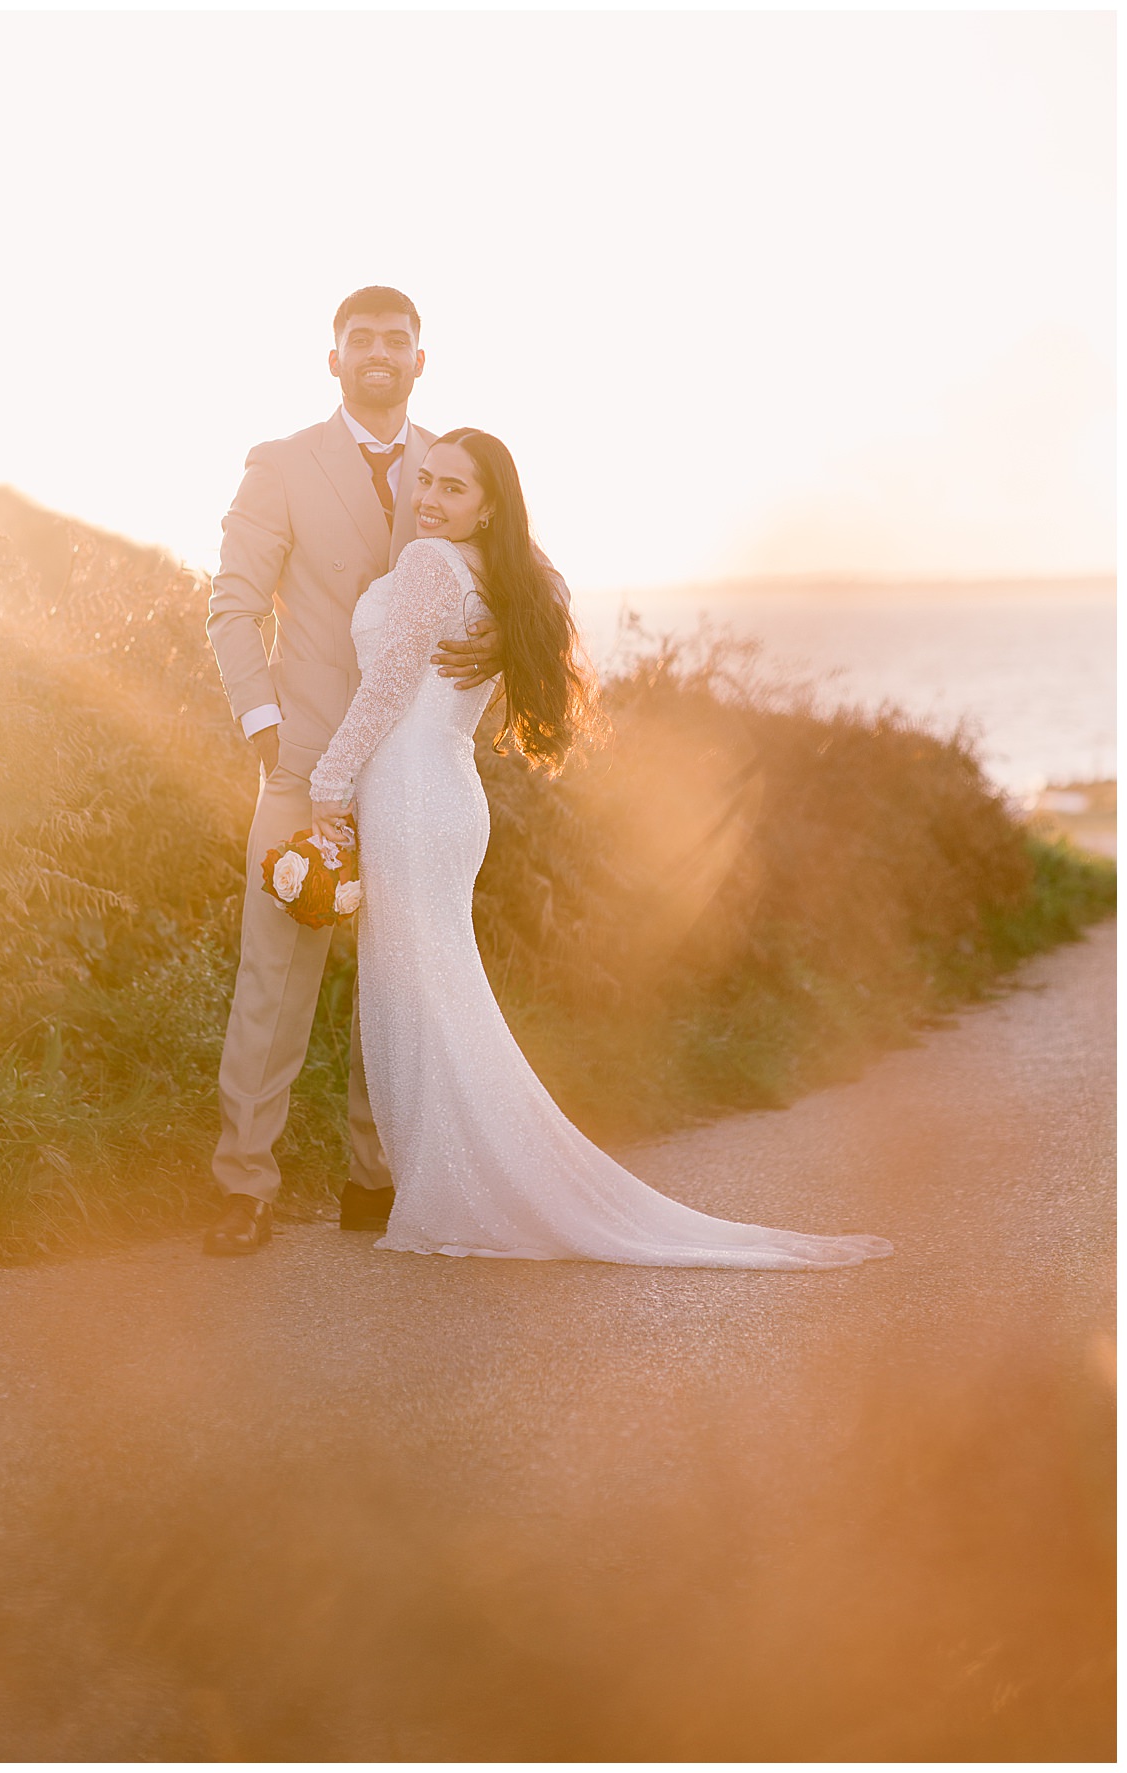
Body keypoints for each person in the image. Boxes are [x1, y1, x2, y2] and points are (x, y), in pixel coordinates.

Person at [306, 427, 892, 1268]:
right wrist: (503, 631)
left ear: (489, 507)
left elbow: (388, 685)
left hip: (411, 793)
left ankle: (462, 1188)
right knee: (434, 995)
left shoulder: (433, 562)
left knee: (426, 995)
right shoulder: (499, 571)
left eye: (452, 488)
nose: (428, 499)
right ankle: (456, 1179)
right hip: (442, 793)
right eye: (425, 480)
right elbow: (547, 586)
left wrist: (328, 782)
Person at [201, 286, 503, 1256]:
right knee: (274, 979)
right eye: (360, 338)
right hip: (305, 764)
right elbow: (232, 604)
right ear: (333, 357)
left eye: (396, 339)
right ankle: (244, 1184)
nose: (379, 351)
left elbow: (523, 576)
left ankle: (375, 1180)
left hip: (410, 771)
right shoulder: (281, 464)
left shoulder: (455, 464)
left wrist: (502, 639)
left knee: (402, 977)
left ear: (420, 358)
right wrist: (262, 724)